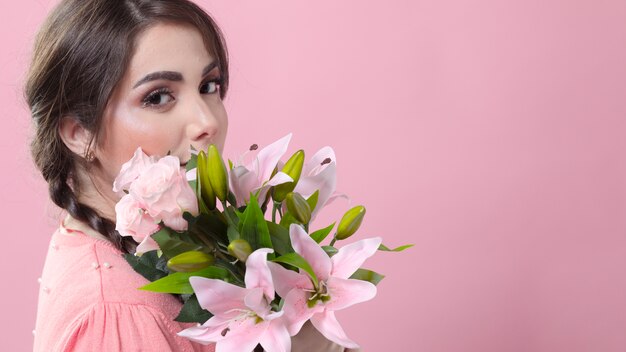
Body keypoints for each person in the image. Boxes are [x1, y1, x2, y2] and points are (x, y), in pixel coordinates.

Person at [26, 0, 356, 351]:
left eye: (208, 86)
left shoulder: (140, 247)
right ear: (78, 133)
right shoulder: (122, 313)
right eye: (157, 97)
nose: (208, 122)